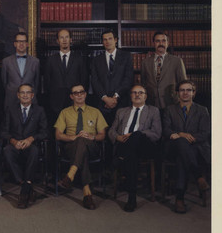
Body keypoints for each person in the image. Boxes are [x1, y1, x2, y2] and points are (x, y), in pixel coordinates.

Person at [108, 84, 162, 212]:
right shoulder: (121, 111)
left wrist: (135, 135)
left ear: (146, 96)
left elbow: (156, 133)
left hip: (145, 146)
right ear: (130, 96)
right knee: (131, 156)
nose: (137, 95)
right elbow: (111, 131)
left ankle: (119, 157)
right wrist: (118, 137)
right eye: (134, 92)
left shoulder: (153, 111)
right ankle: (131, 198)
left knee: (137, 134)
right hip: (126, 146)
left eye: (141, 93)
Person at [55, 84, 108, 210]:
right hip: (71, 147)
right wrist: (72, 137)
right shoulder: (65, 112)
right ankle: (86, 191)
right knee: (80, 142)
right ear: (71, 96)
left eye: (81, 92)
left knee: (83, 140)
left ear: (85, 94)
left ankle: (70, 175)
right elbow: (58, 135)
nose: (79, 95)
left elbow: (102, 135)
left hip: (92, 146)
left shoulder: (95, 111)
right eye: (75, 93)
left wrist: (92, 136)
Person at [162, 80, 210, 214]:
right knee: (181, 144)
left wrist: (188, 137)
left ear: (193, 93)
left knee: (181, 157)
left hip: (197, 148)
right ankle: (198, 175)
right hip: (173, 147)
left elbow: (205, 133)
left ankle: (180, 198)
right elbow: (166, 130)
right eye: (182, 90)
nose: (185, 93)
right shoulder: (170, 109)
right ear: (177, 93)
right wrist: (180, 134)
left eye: (188, 90)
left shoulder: (202, 110)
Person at [0, 84, 47, 209]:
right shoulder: (10, 109)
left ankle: (24, 191)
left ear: (32, 95)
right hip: (15, 145)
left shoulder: (39, 110)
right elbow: (3, 131)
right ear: (18, 95)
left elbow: (44, 132)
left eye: (28, 93)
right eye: (22, 93)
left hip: (30, 145)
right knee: (6, 151)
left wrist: (31, 139)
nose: (25, 95)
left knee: (35, 151)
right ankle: (26, 185)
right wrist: (13, 141)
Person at [44, 29, 88, 125]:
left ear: (71, 40)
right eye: (61, 37)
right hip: (55, 103)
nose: (64, 40)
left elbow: (84, 80)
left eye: (67, 37)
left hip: (74, 101)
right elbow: (47, 82)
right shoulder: (50, 60)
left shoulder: (79, 58)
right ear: (57, 41)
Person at [90, 29, 133, 125]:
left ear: (116, 40)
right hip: (102, 104)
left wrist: (115, 97)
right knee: (103, 133)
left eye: (110, 39)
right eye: (105, 39)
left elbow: (128, 79)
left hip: (121, 102)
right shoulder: (96, 60)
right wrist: (105, 98)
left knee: (120, 132)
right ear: (102, 42)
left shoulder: (126, 56)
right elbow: (94, 81)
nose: (107, 41)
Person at [140, 32, 187, 110]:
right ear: (154, 43)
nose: (161, 43)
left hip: (172, 103)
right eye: (157, 41)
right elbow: (143, 83)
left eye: (163, 41)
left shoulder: (177, 61)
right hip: (151, 104)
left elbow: (183, 84)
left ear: (167, 43)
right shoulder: (145, 62)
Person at [1, 32, 40, 110]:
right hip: (11, 99)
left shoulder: (35, 61)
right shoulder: (6, 61)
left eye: (24, 41)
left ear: (27, 44)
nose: (21, 44)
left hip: (30, 100)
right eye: (19, 41)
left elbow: (36, 83)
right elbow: (4, 82)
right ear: (15, 44)